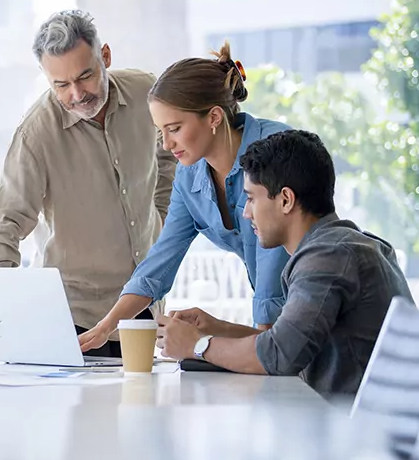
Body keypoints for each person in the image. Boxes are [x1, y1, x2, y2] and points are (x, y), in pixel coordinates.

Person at [0, 10, 176, 357]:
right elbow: (0, 228)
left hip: (143, 308)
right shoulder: (36, 134)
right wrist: (14, 315)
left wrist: (159, 214)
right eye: (61, 85)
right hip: (76, 321)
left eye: (85, 76)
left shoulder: (147, 91)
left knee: (144, 409)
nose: (77, 94)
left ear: (106, 57)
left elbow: (169, 153)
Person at [155, 130, 414, 398]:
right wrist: (216, 329)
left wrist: (198, 345)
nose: (246, 212)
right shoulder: (343, 245)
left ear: (286, 200)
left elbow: (279, 355)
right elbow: (288, 342)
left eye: (252, 198)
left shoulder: (328, 256)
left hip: (357, 432)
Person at [79, 43, 292, 353]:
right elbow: (159, 264)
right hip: (283, 329)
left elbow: (272, 277)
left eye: (175, 129)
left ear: (214, 117)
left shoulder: (274, 151)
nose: (166, 144)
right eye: (161, 131)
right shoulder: (190, 176)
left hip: (319, 308)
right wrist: (106, 327)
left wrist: (247, 350)